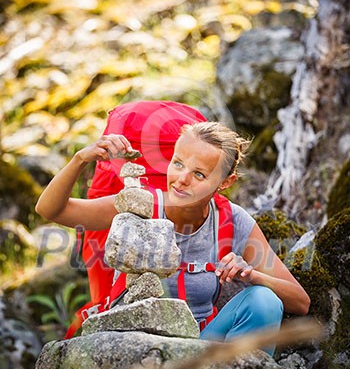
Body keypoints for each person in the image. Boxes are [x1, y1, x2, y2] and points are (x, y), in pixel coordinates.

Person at [35, 121, 310, 354]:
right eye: (178, 164)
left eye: (199, 174)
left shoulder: (233, 222)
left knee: (264, 299)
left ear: (226, 182)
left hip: (200, 347)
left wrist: (252, 276)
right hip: (134, 347)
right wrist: (80, 159)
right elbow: (50, 210)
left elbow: (300, 302)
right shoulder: (140, 205)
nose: (181, 179)